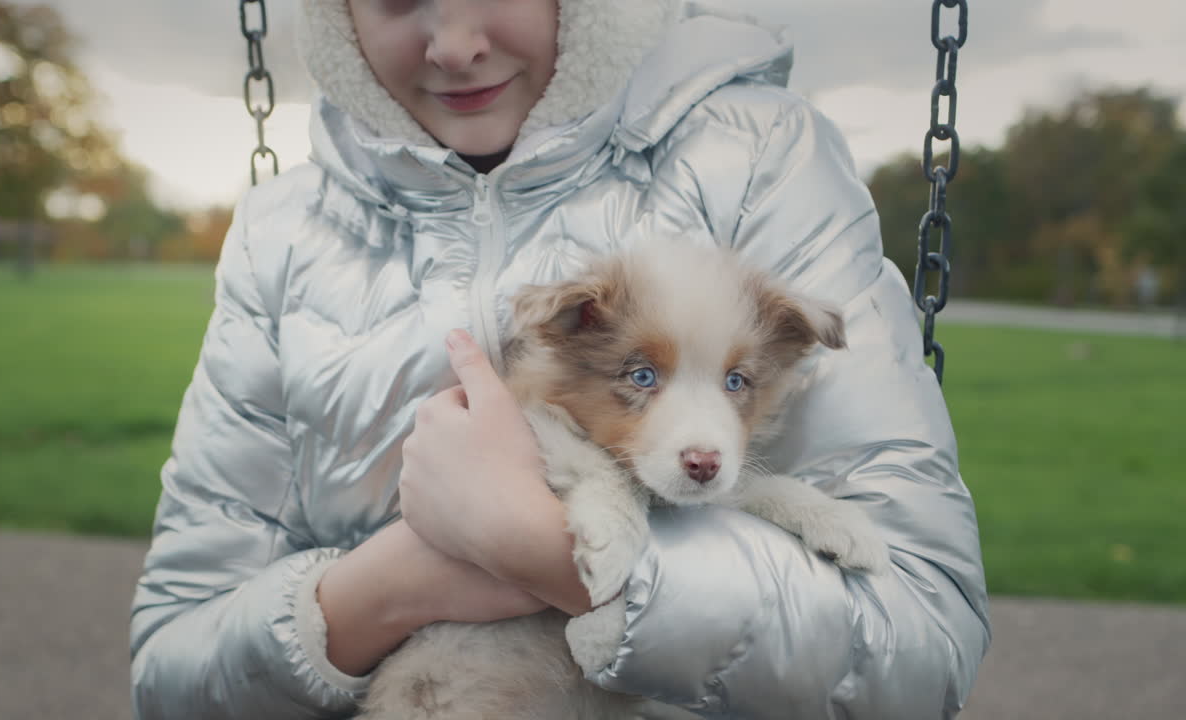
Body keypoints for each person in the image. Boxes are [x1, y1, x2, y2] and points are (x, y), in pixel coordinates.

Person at [129, 0, 991, 717]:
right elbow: (174, 669)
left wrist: (543, 552)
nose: (457, 45)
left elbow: (918, 653)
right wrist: (387, 589)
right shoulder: (280, 231)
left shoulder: (764, 161)